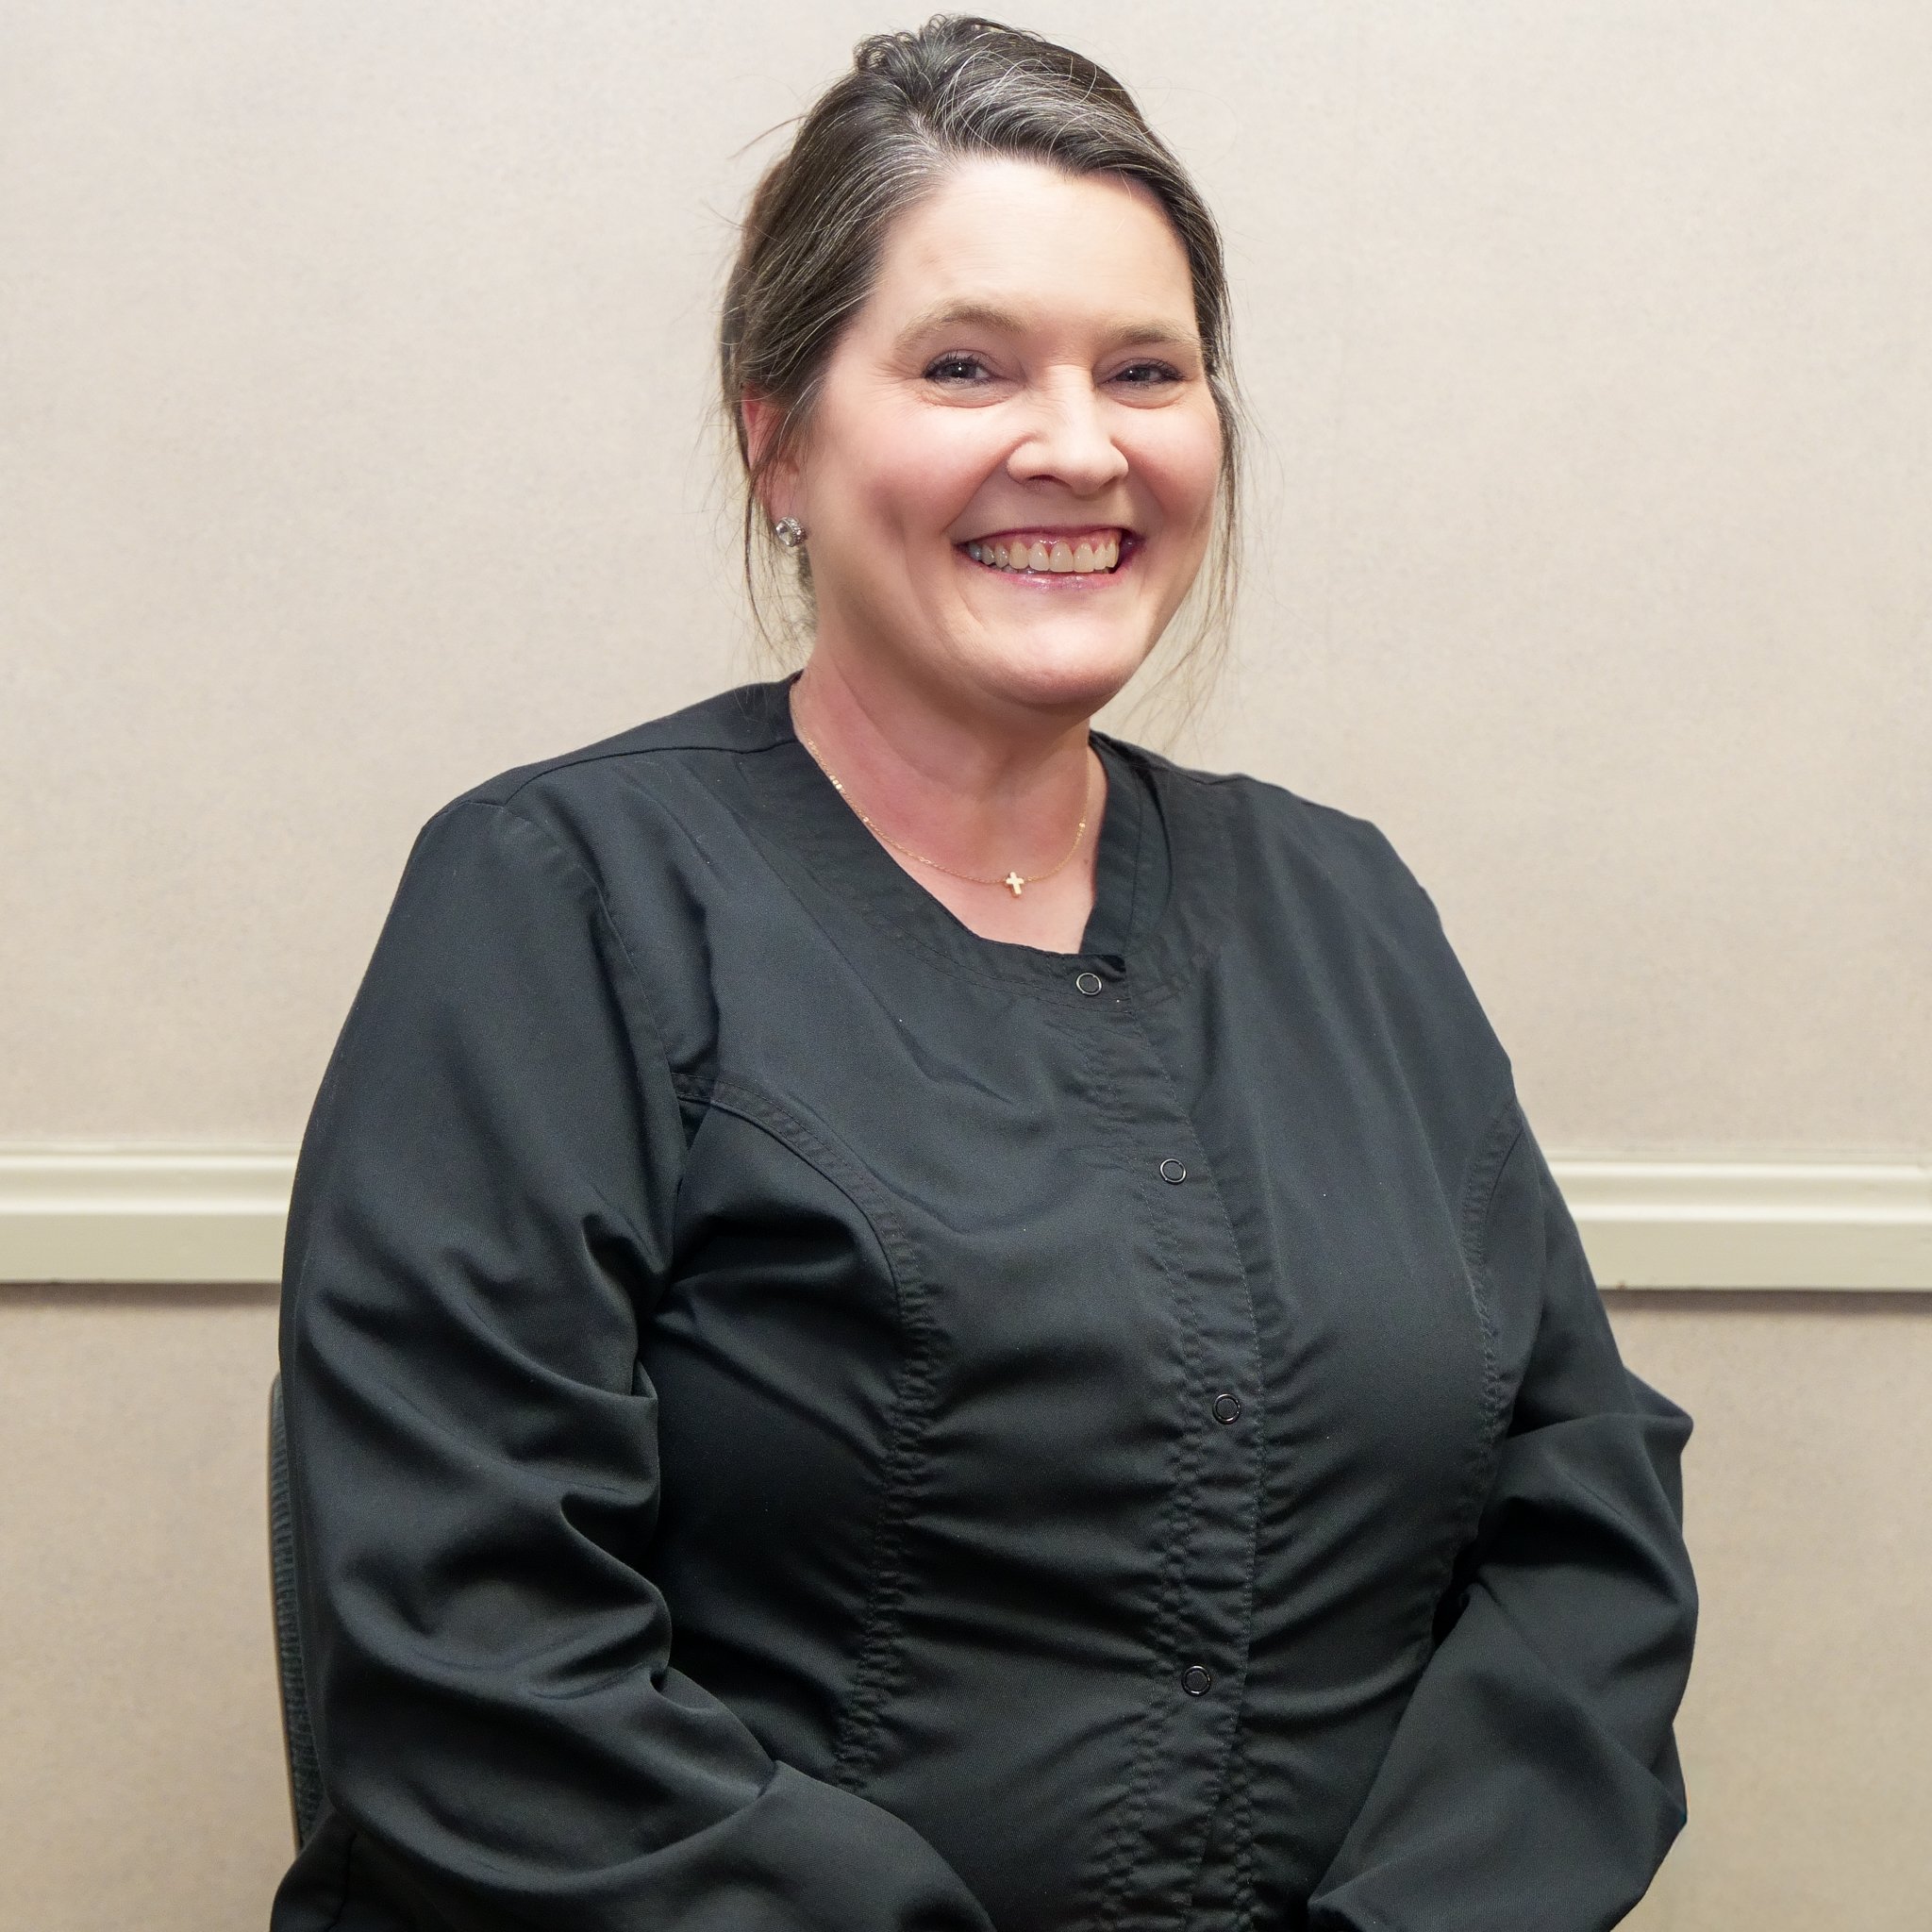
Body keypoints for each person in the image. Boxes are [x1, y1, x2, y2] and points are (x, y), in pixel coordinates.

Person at [271, 16, 1696, 1930]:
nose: (1078, 446)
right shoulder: (559, 896)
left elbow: (1580, 1520)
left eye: (1146, 371)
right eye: (964, 366)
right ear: (775, 434)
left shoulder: (1342, 907)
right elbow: (460, 1650)